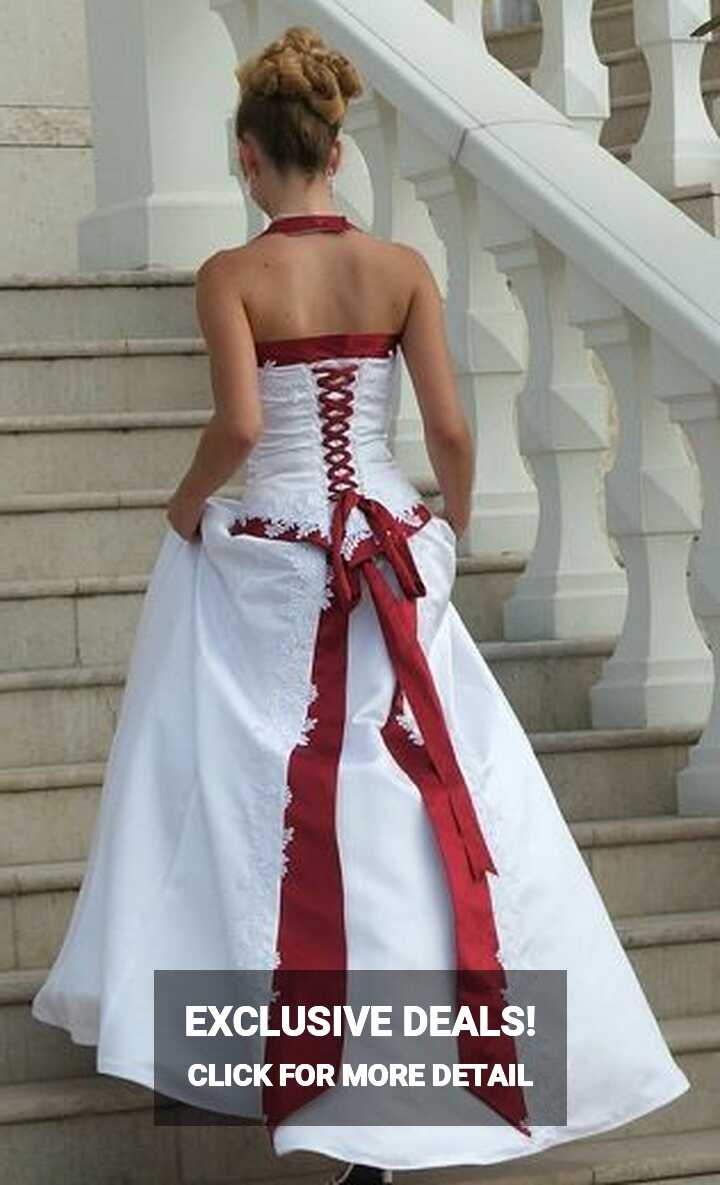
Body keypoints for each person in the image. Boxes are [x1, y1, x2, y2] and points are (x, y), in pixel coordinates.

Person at [31, 23, 690, 1185]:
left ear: (247, 158)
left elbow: (242, 429)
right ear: (335, 150)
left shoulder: (233, 275)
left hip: (282, 552)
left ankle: (281, 1058)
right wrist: (451, 525)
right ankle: (423, 1076)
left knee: (256, 796)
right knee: (421, 806)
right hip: (386, 552)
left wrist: (187, 510)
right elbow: (449, 428)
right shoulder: (400, 269)